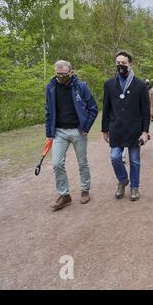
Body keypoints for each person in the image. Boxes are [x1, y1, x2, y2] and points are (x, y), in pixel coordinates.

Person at [45, 60, 98, 211]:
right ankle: (64, 195)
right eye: (58, 74)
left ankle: (85, 190)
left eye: (64, 74)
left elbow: (93, 108)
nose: (61, 77)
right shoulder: (50, 87)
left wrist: (86, 126)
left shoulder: (81, 87)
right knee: (56, 164)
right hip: (59, 132)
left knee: (82, 162)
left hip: (78, 130)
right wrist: (49, 133)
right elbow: (48, 111)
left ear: (71, 72)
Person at [101, 51, 151, 201]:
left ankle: (134, 187)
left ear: (130, 64)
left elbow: (146, 111)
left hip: (135, 129)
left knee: (135, 160)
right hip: (116, 128)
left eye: (123, 63)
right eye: (118, 63)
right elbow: (106, 107)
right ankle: (123, 180)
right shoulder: (109, 84)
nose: (120, 65)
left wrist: (145, 131)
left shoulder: (141, 85)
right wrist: (104, 129)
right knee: (115, 157)